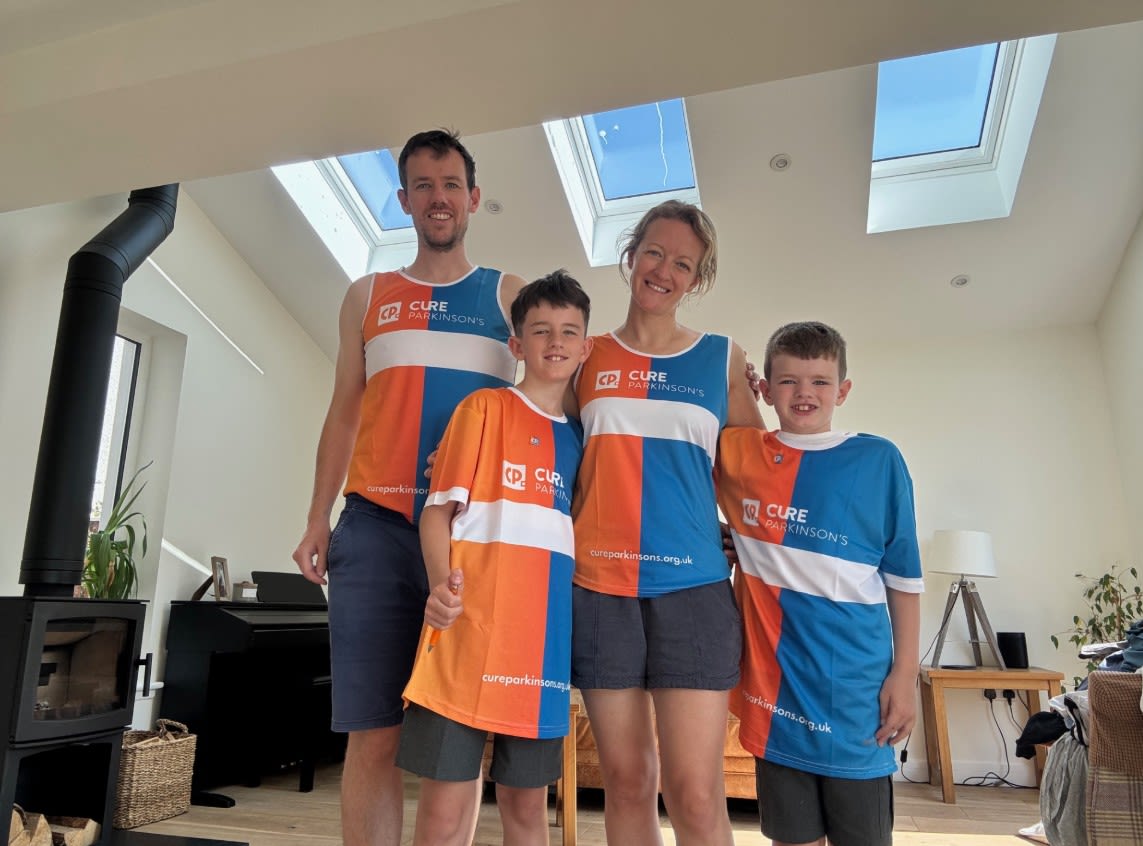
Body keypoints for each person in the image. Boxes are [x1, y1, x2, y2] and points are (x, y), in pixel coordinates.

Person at [292, 129, 526, 846]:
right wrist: (316, 520)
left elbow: (549, 408)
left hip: (472, 541)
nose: (438, 197)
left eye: (450, 183)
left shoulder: (510, 296)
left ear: (474, 197)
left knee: (457, 743)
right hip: (372, 527)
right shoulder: (366, 296)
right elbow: (342, 412)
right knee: (373, 736)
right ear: (402, 200)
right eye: (422, 185)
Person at [571, 199, 764, 846]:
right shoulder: (582, 356)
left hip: (693, 595)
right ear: (630, 256)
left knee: (695, 789)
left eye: (683, 263)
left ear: (697, 279)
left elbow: (752, 472)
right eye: (654, 252)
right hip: (598, 590)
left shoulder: (722, 359)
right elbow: (536, 441)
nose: (663, 270)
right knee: (625, 782)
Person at [397, 270, 592, 846]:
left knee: (527, 811)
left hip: (540, 652)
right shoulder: (482, 410)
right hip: (463, 640)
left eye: (568, 331)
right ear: (517, 344)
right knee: (445, 808)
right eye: (540, 330)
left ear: (585, 346)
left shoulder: (583, 438)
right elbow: (436, 513)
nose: (554, 342)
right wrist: (439, 588)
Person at [716, 321, 924, 846]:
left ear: (843, 390)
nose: (804, 393)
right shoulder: (741, 455)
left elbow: (904, 578)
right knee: (791, 838)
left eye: (820, 382)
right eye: (787, 381)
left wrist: (906, 674)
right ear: (764, 389)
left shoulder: (879, 460)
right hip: (775, 693)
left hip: (857, 696)